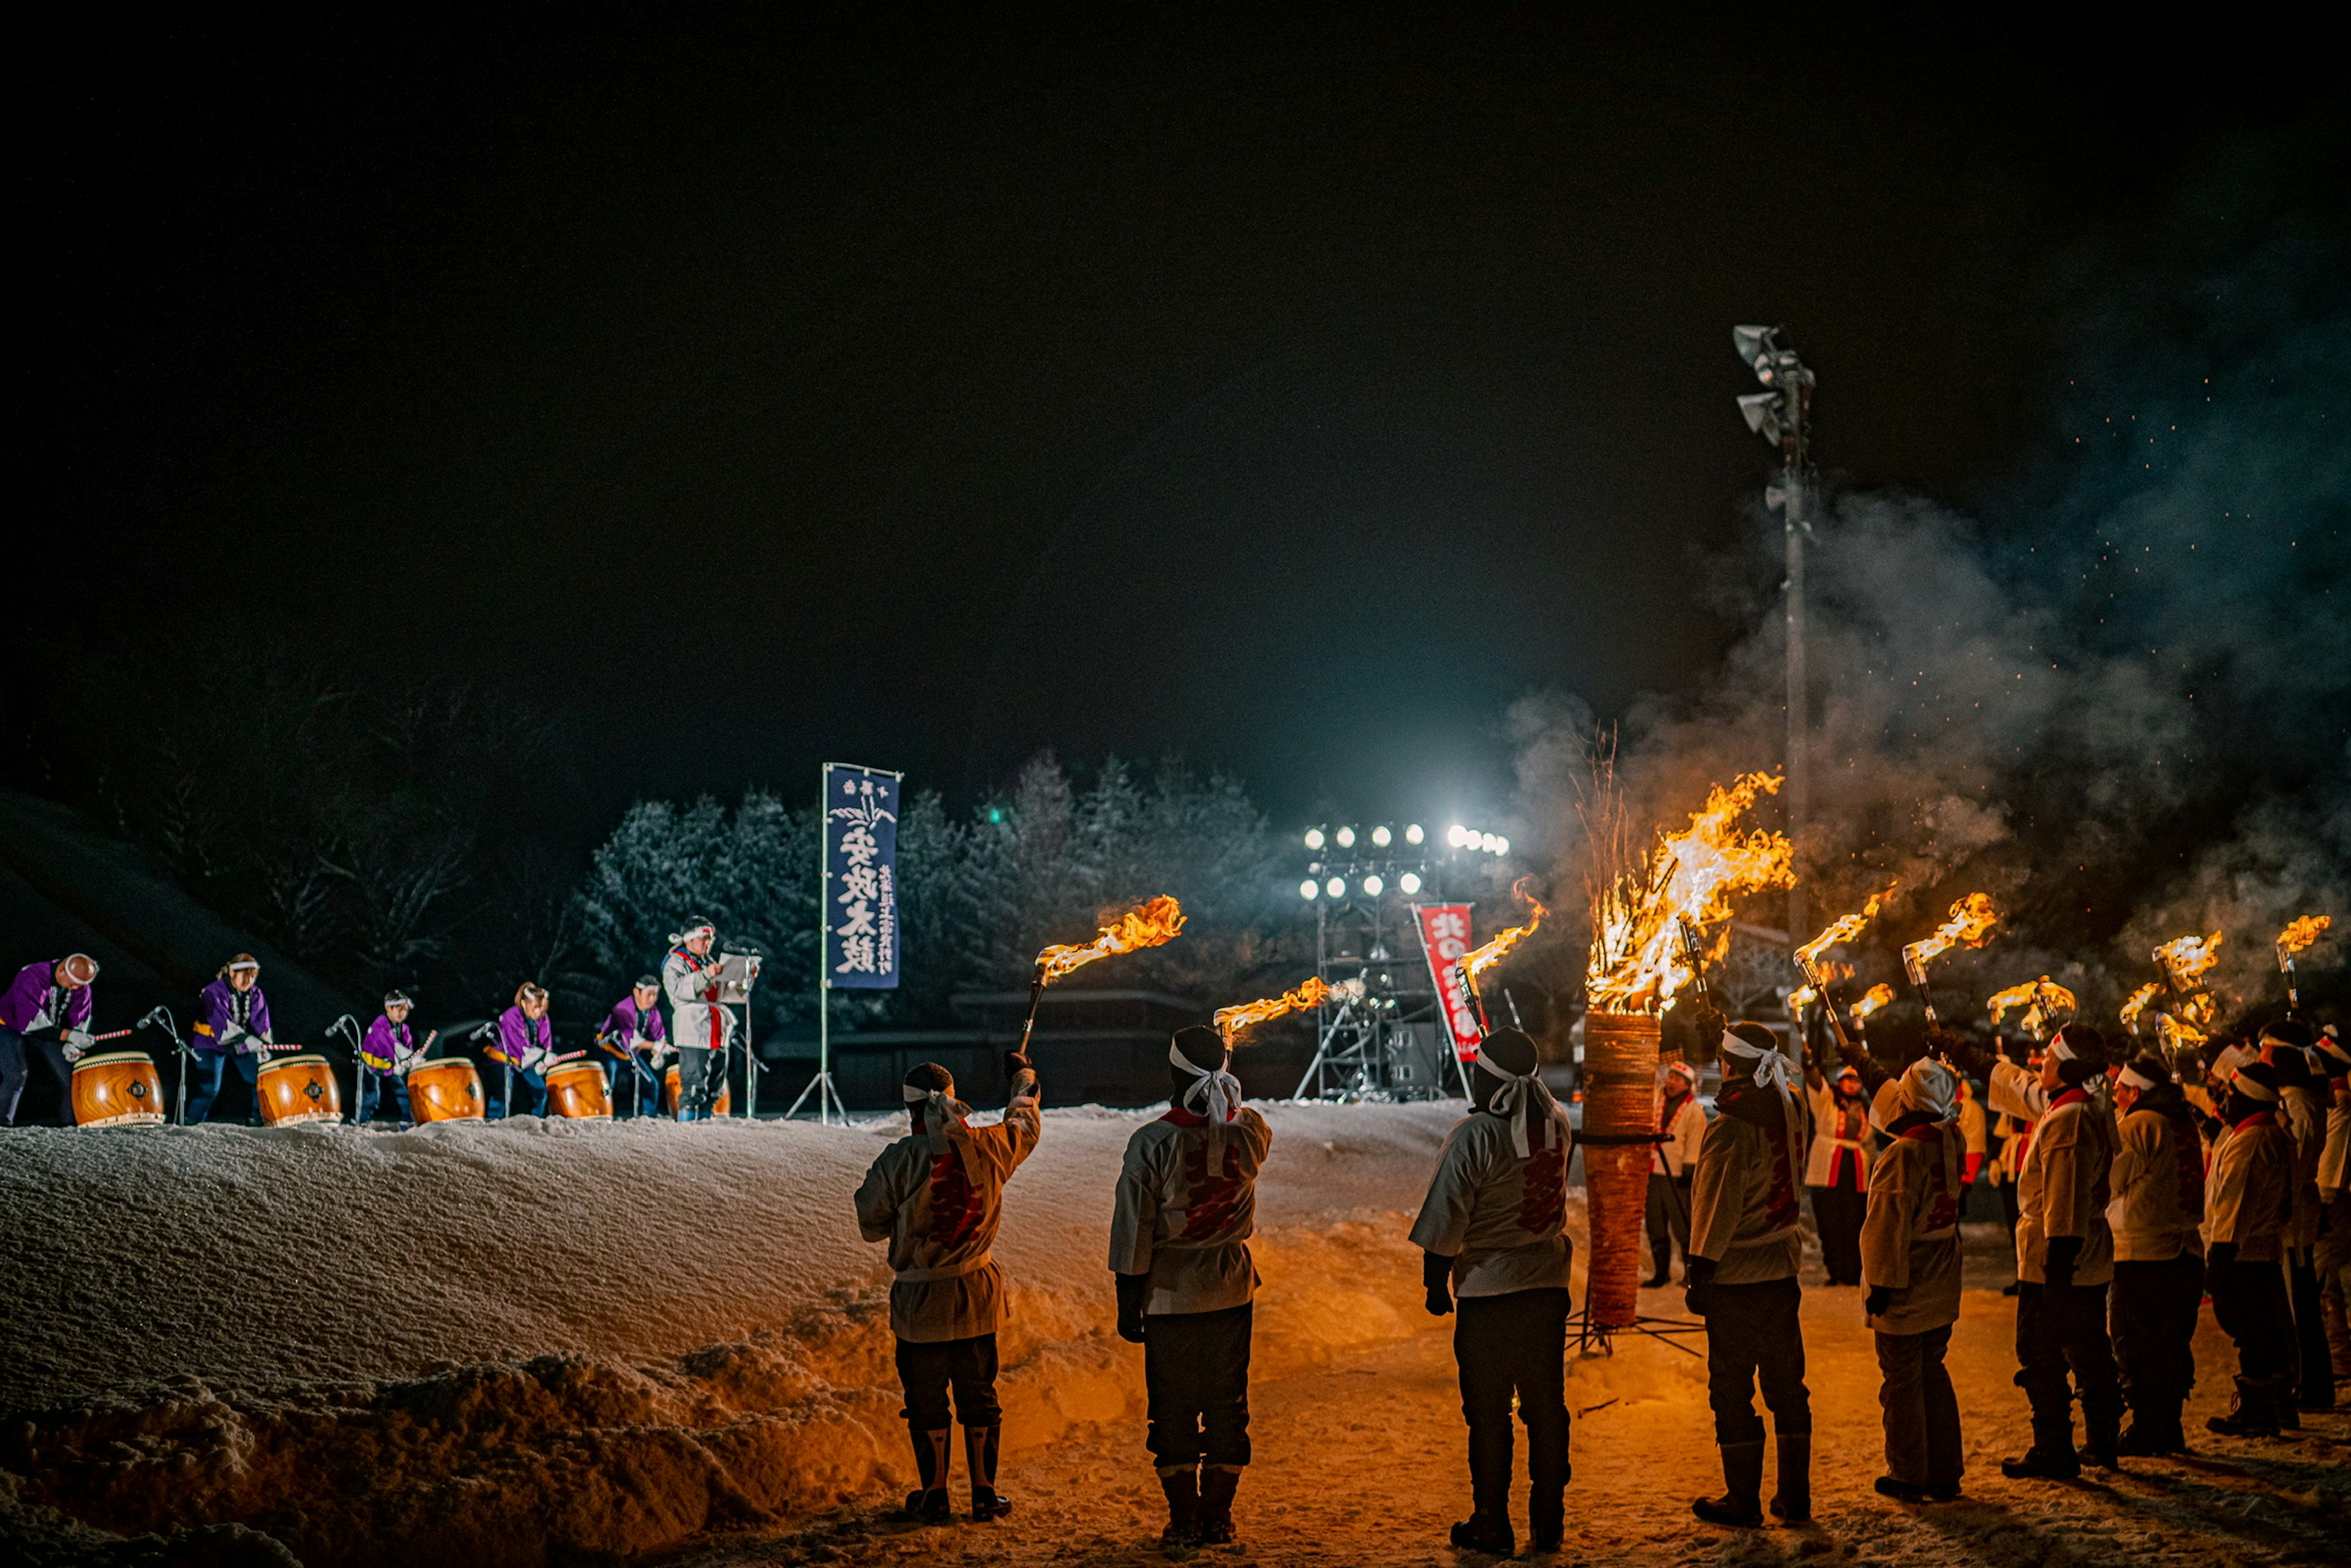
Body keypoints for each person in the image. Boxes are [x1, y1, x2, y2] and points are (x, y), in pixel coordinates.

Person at [856, 1052, 1043, 1523]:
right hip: (976, 1293)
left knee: (926, 1399)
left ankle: (935, 1494)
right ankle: (984, 1493)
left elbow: (871, 1223)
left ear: (910, 1111)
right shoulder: (990, 1145)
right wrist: (1023, 1078)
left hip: (921, 1302)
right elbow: (1025, 1123)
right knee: (978, 1392)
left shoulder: (897, 1159)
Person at [1411, 1027, 1575, 1557]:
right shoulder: (1557, 1123)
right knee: (1547, 1406)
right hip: (1547, 1288)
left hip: (1489, 1290)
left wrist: (1436, 1281)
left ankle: (1492, 1520)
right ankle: (1549, 1520)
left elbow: (1446, 1215)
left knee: (1489, 1413)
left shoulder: (1475, 1135)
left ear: (1489, 1078)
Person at [1110, 1026, 1272, 1551]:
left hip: (1170, 1295)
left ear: (1174, 1075)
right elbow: (1242, 1118)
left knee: (1174, 1408)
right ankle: (1219, 1518)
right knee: (1229, 1405)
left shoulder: (1152, 1141)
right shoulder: (1252, 1132)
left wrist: (1127, 1299)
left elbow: (1134, 1228)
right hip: (1230, 1290)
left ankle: (1183, 1520)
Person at [1685, 1019, 1812, 1528]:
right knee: (1787, 1385)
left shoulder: (1732, 1126)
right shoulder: (1793, 1105)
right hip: (1781, 1268)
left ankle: (1743, 1500)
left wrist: (1700, 1272)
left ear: (1729, 1066)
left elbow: (1717, 1207)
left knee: (1732, 1387)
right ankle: (1794, 1495)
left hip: (1736, 1278)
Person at [2000, 1023, 2123, 1479]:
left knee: (2042, 1352)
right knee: (2088, 1346)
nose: (2041, 1066)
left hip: (2060, 1257)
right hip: (2075, 1255)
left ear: (2068, 1068)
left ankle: (2055, 1447)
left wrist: (2056, 1271)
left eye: (2050, 1061)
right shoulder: (2079, 1106)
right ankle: (2102, 1440)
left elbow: (2065, 1199)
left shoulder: (2070, 1119)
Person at [1861, 1057, 1967, 1502]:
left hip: (1908, 1278)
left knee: (1902, 1379)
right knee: (1932, 1371)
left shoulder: (1904, 1152)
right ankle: (1944, 1470)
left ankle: (1908, 1471)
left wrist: (1881, 1283)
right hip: (1941, 1275)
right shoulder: (1950, 1136)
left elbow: (1888, 1222)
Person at [2105, 1050, 2205, 1454]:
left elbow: (2109, 1182)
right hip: (2185, 1251)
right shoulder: (2183, 1122)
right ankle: (2168, 1423)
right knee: (2172, 1343)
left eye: (2118, 1090)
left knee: (2136, 1344)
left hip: (2143, 1252)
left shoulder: (2137, 1125)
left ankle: (2149, 1426)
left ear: (2134, 1090)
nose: (2114, 1096)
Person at [2202, 1059, 2297, 1436]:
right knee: (2263, 1330)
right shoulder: (2267, 1133)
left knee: (2251, 1332)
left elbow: (2235, 1203)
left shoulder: (2252, 1142)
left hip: (2242, 1252)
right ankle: (2276, 1406)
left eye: (2232, 1095)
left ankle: (2259, 1411)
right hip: (2259, 1250)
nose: (2226, 1102)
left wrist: (2221, 1254)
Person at [2260, 1021, 2334, 1417]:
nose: (2259, 1057)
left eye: (2265, 1049)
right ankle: (2308, 1381)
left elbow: (2296, 1161)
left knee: (2298, 1303)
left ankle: (2310, 1383)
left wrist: (2278, 1204)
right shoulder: (2292, 1098)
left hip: (2295, 1208)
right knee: (2296, 1300)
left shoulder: (2300, 1102)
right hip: (2293, 1208)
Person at [0, 954, 100, 1127]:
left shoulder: (80, 985)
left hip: (52, 1030)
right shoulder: (32, 976)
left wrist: (72, 1044)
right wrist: (69, 1036)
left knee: (72, 1076)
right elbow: (30, 1022)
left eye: (81, 985)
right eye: (74, 984)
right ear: (61, 971)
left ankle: (70, 1126)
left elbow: (80, 1017)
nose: (76, 988)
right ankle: (2, 1125)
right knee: (16, 1074)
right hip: (10, 1025)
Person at [1805, 1062, 1875, 1287]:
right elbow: (1816, 1084)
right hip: (1828, 1168)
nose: (1852, 1085)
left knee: (1854, 1223)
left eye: (1856, 1081)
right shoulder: (1827, 1103)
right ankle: (1836, 1271)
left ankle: (1854, 1271)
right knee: (1830, 1222)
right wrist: (1809, 1065)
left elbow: (1871, 1142)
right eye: (1848, 1080)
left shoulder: (1865, 1108)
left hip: (1856, 1170)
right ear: (1840, 1082)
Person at [186, 955, 277, 1125]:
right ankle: (191, 1124)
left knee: (261, 1079)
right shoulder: (213, 992)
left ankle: (258, 1121)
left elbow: (261, 1023)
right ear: (233, 973)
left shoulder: (255, 993)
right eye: (246, 975)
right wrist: (250, 1042)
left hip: (241, 1041)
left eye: (253, 976)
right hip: (209, 1042)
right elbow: (223, 1026)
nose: (250, 981)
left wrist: (264, 1047)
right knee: (210, 1088)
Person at [2311, 1025, 2350, 1389]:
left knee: (2325, 1282)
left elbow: (2331, 1157)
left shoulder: (2340, 1105)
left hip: (2335, 1199)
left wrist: (2322, 1198)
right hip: (2338, 1196)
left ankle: (2339, 1359)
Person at [663, 919, 732, 1120]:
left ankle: (705, 1123)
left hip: (715, 1028)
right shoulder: (676, 962)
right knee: (694, 1083)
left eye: (711, 939)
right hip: (693, 1029)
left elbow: (724, 993)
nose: (708, 943)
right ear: (690, 939)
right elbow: (677, 991)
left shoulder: (708, 961)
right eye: (704, 938)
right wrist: (705, 975)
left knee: (715, 1084)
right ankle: (688, 1130)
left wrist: (743, 979)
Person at [1645, 1059, 1706, 1287]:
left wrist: (1690, 1170)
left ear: (1687, 1085)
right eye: (1670, 1078)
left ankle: (1691, 1274)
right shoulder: (1656, 1102)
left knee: (1682, 1223)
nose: (1672, 1083)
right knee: (1655, 1223)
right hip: (1653, 1171)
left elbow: (1695, 1141)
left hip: (1678, 1174)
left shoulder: (1693, 1111)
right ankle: (1661, 1272)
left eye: (1678, 1080)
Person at [487, 983, 574, 1118]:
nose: (539, 1012)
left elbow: (545, 1039)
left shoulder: (541, 1017)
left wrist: (547, 1056)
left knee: (541, 1092)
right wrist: (542, 1057)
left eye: (542, 1008)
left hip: (529, 1059)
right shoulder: (510, 1016)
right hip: (504, 1058)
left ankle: (536, 1121)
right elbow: (518, 1046)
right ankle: (493, 1122)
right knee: (503, 1095)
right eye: (536, 1008)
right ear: (523, 1003)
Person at [595, 976, 669, 1118]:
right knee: (608, 1085)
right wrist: (656, 1046)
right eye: (649, 994)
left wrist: (658, 1053)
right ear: (637, 992)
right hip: (609, 1052)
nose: (652, 999)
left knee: (651, 1083)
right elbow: (631, 1041)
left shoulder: (652, 1012)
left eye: (655, 995)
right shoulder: (623, 1009)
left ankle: (649, 1117)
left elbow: (660, 1039)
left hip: (630, 1055)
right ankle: (602, 1116)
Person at [357, 991, 426, 1127]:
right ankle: (362, 1122)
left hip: (391, 1065)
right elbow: (390, 1045)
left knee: (403, 1091)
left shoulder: (403, 1028)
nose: (403, 1014)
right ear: (389, 1008)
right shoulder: (380, 1025)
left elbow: (407, 1047)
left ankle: (408, 1120)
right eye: (400, 1009)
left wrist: (410, 1061)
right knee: (371, 1095)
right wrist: (404, 1060)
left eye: (405, 1010)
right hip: (372, 1064)